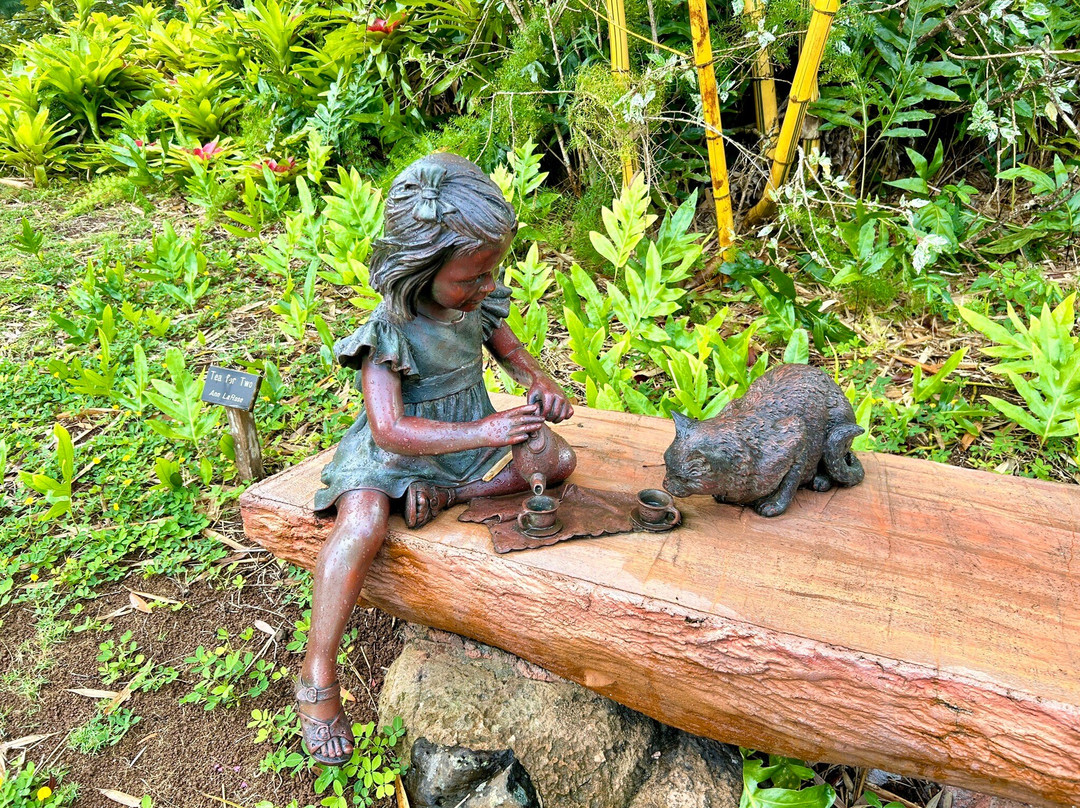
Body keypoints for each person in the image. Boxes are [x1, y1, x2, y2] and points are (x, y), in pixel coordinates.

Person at [297, 152, 576, 765]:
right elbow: (391, 430)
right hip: (393, 456)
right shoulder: (388, 333)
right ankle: (317, 673)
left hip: (467, 450)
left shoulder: (475, 305)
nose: (486, 288)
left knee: (556, 460)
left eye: (491, 273)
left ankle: (449, 496)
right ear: (419, 270)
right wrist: (485, 429)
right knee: (363, 522)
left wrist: (540, 384)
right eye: (472, 278)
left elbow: (515, 357)